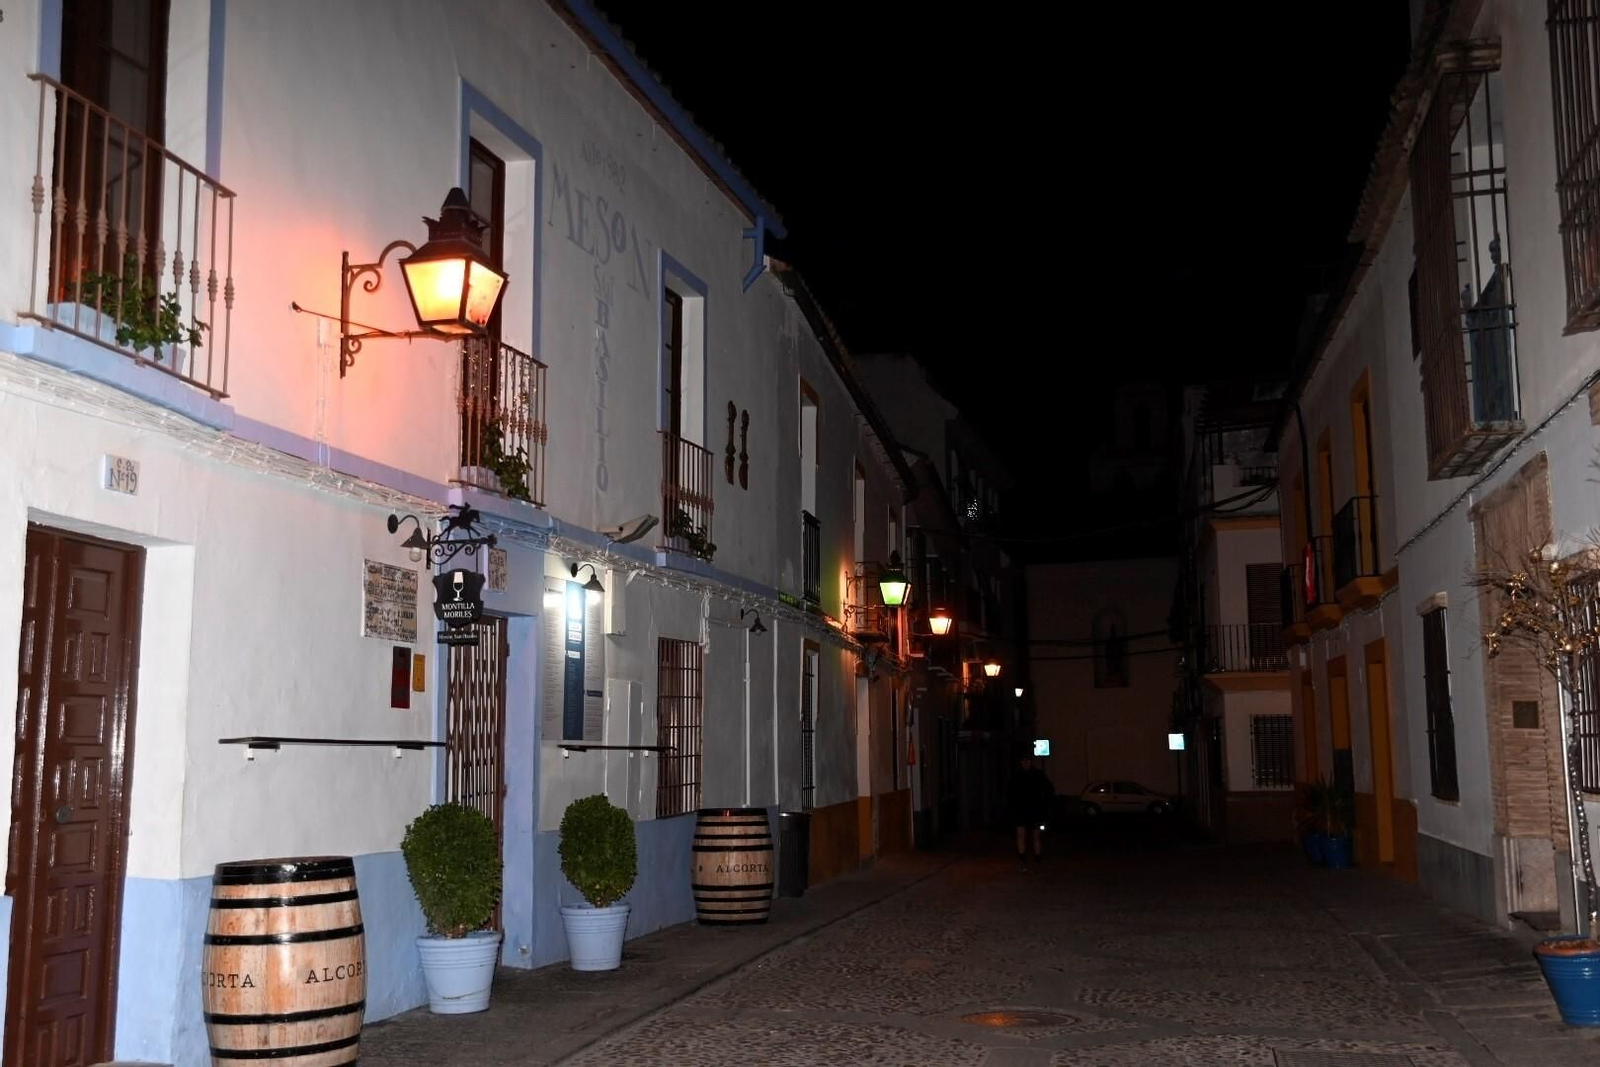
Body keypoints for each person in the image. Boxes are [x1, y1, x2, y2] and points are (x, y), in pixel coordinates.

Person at [1008, 754, 1056, 870]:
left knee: (1036, 835)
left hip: (1035, 810)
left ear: (1031, 761)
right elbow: (1009, 794)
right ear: (1020, 762)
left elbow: (1049, 790)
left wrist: (1045, 805)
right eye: (1023, 760)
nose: (1026, 763)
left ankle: (1037, 859)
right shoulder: (1016, 776)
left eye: (1028, 760)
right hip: (1020, 810)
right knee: (1021, 835)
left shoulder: (1038, 774)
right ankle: (1022, 860)